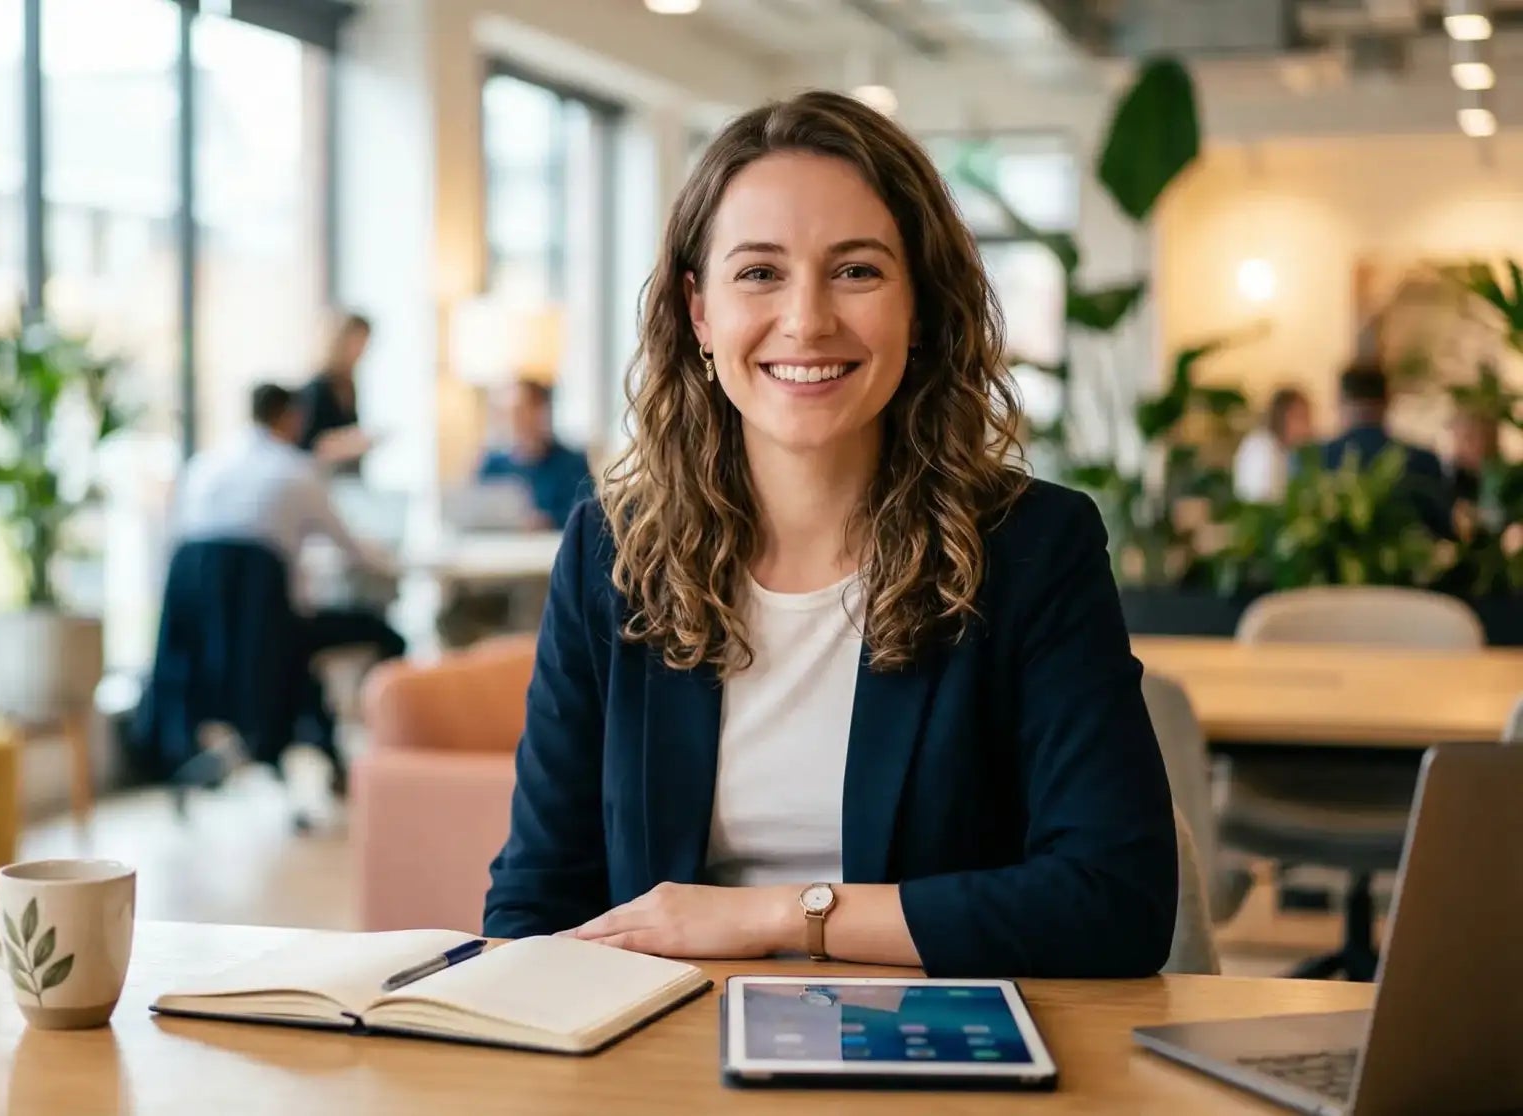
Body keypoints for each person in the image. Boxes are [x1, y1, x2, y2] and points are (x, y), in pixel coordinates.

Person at [481, 90, 1177, 979]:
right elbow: (538, 898)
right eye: (759, 273)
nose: (806, 320)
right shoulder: (611, 553)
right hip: (664, 1058)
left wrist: (779, 918)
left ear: (918, 304)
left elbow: (1117, 902)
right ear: (699, 312)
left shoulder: (1031, 548)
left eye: (856, 271)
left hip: (938, 1055)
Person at [167, 384, 409, 759]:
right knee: (386, 636)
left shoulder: (204, 468)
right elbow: (355, 550)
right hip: (270, 638)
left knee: (294, 645)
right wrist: (400, 564)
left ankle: (307, 741)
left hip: (204, 647)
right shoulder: (295, 472)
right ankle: (392, 748)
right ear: (290, 417)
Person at [1313, 364, 1451, 538]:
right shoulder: (1424, 461)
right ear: (1388, 401)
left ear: (1340, 401)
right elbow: (1442, 533)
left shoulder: (1315, 459)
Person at [475, 380, 594, 529]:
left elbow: (587, 515)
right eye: (512, 412)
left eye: (524, 410)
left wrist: (548, 521)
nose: (517, 419)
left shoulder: (573, 464)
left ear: (543, 412)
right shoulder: (492, 465)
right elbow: (475, 511)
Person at [296, 312, 375, 474]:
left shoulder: (349, 385)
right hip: (319, 480)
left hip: (347, 476)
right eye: (357, 343)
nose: (361, 351)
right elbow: (308, 446)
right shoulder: (316, 390)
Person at [1232, 386, 1311, 503]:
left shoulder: (1283, 451)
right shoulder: (1261, 449)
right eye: (1303, 417)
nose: (1308, 427)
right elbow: (1263, 501)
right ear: (1285, 416)